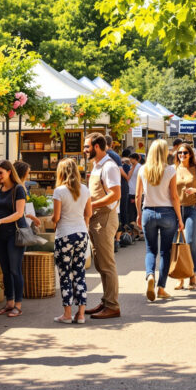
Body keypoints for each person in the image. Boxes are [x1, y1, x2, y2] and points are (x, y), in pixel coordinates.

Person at [135, 139, 182, 301]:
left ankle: (149, 276)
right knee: (165, 252)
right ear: (163, 153)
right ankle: (161, 287)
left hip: (148, 212)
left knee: (150, 250)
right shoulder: (170, 171)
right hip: (167, 212)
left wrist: (139, 214)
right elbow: (175, 197)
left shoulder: (143, 169)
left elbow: (137, 196)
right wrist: (180, 219)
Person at [84, 132, 122, 319]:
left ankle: (113, 305)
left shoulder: (109, 167)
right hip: (98, 218)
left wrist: (90, 204)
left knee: (106, 265)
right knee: (100, 264)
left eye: (87, 147)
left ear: (96, 147)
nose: (84, 150)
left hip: (105, 218)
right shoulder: (98, 165)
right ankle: (106, 301)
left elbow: (115, 195)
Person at [51, 158, 91, 324]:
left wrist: (52, 220)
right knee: (79, 273)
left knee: (65, 274)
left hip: (65, 235)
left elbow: (57, 217)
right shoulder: (85, 189)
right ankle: (81, 314)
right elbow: (88, 213)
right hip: (81, 234)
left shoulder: (59, 191)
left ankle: (67, 314)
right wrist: (84, 228)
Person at [0, 160, 28, 318]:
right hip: (0, 235)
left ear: (9, 172)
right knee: (5, 270)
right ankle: (9, 302)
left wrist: (0, 222)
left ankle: (18, 304)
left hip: (15, 234)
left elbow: (19, 213)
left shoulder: (18, 189)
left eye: (0, 173)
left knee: (15, 269)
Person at [175, 144, 196, 290]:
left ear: (190, 154)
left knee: (189, 242)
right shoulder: (173, 169)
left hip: (192, 209)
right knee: (177, 244)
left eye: (185, 153)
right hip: (175, 210)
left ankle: (192, 274)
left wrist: (195, 190)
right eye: (180, 153)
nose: (182, 155)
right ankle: (180, 276)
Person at [12, 160, 43, 230]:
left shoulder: (12, 187)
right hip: (18, 228)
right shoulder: (19, 188)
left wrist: (32, 217)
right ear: (22, 174)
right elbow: (19, 213)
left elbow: (18, 210)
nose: (27, 176)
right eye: (27, 173)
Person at [127, 151, 142, 237]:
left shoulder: (139, 167)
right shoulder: (131, 167)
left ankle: (138, 231)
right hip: (131, 191)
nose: (130, 160)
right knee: (132, 212)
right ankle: (135, 231)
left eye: (131, 159)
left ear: (134, 159)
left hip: (135, 191)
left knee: (134, 212)